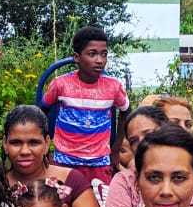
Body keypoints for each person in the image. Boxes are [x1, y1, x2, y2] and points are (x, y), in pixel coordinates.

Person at [1, 105, 103, 207]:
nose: (25, 151)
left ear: (47, 143)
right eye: (16, 143)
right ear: (5, 144)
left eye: (34, 142)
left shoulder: (72, 180)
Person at [41, 25, 129, 172]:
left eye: (104, 54)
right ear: (77, 57)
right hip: (64, 161)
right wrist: (44, 148)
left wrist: (116, 148)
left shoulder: (113, 86)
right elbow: (41, 112)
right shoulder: (60, 84)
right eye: (92, 54)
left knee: (100, 195)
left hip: (100, 163)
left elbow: (126, 112)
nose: (100, 60)